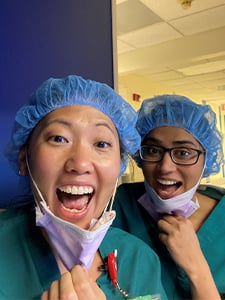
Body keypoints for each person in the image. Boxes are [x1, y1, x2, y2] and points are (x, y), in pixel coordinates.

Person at [2, 75, 167, 300]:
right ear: (24, 160)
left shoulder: (139, 260)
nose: (80, 164)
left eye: (101, 144)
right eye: (59, 139)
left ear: (119, 167)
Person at [113, 94, 223, 300]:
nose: (165, 167)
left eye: (183, 153)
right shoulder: (116, 207)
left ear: (206, 158)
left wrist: (196, 266)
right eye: (153, 150)